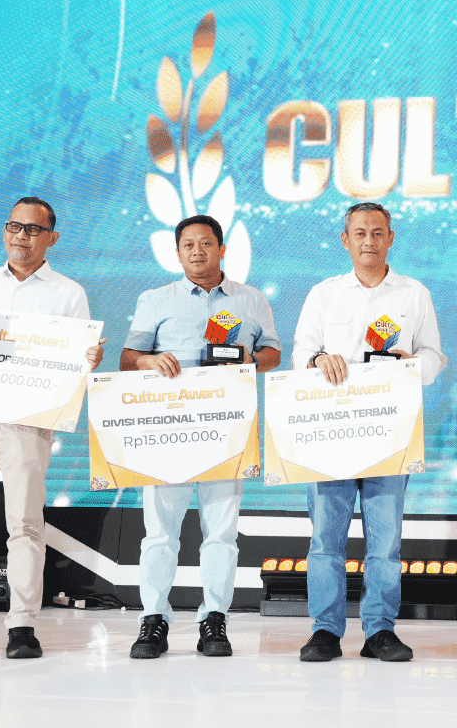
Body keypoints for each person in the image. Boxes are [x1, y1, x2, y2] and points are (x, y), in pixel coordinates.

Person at [0, 197, 105, 659]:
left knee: (26, 525)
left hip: (29, 422)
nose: (21, 235)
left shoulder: (68, 293)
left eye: (33, 229)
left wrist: (89, 358)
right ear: (5, 231)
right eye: (14, 226)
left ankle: (22, 627)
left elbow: (76, 362)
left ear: (51, 238)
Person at [120, 214, 281, 659]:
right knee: (159, 533)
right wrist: (149, 362)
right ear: (177, 253)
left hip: (226, 429)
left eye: (206, 243)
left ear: (222, 249)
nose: (197, 251)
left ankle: (215, 619)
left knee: (222, 534)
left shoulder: (252, 299)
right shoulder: (155, 299)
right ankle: (153, 619)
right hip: (167, 431)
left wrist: (250, 359)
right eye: (188, 245)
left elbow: (273, 353)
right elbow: (128, 357)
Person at [293, 202, 447, 663]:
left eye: (377, 232)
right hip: (331, 435)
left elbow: (435, 357)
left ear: (390, 238)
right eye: (359, 233)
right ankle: (325, 631)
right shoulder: (324, 294)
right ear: (345, 240)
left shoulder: (414, 294)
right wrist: (318, 360)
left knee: (386, 542)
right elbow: (301, 353)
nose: (368, 241)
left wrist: (412, 365)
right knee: (326, 540)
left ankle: (380, 630)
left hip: (389, 434)